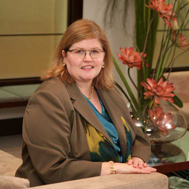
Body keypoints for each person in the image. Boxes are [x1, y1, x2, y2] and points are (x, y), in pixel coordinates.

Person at [15, 19, 156, 186]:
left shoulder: (108, 91)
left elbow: (138, 139)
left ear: (104, 57)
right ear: (64, 56)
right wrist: (115, 168)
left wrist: (137, 160)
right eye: (79, 51)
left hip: (111, 183)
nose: (88, 59)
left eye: (95, 51)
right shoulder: (49, 97)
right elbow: (53, 168)